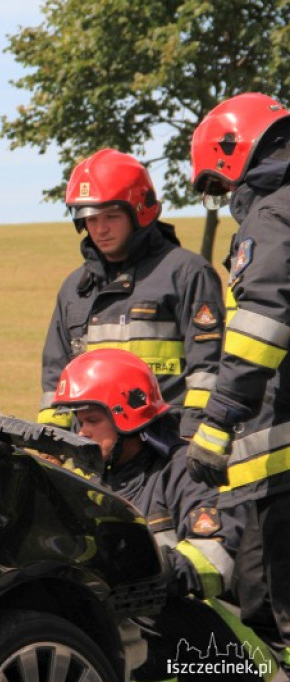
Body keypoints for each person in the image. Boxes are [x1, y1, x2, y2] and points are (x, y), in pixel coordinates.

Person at [52, 349, 271, 681]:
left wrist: (143, 573)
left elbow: (216, 559)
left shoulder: (185, 469)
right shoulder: (88, 482)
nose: (82, 433)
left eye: (92, 421)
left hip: (218, 646)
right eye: (79, 422)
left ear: (126, 415)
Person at [189, 91, 290, 678]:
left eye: (218, 186)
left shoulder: (271, 216)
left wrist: (219, 420)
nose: (224, 201)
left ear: (233, 156)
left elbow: (260, 325)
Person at [38, 149, 226, 439]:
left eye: (111, 216)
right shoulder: (73, 289)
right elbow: (56, 377)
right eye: (91, 219)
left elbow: (208, 367)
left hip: (167, 450)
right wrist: (54, 441)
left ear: (140, 212)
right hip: (97, 453)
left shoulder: (187, 273)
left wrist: (193, 437)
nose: (100, 229)